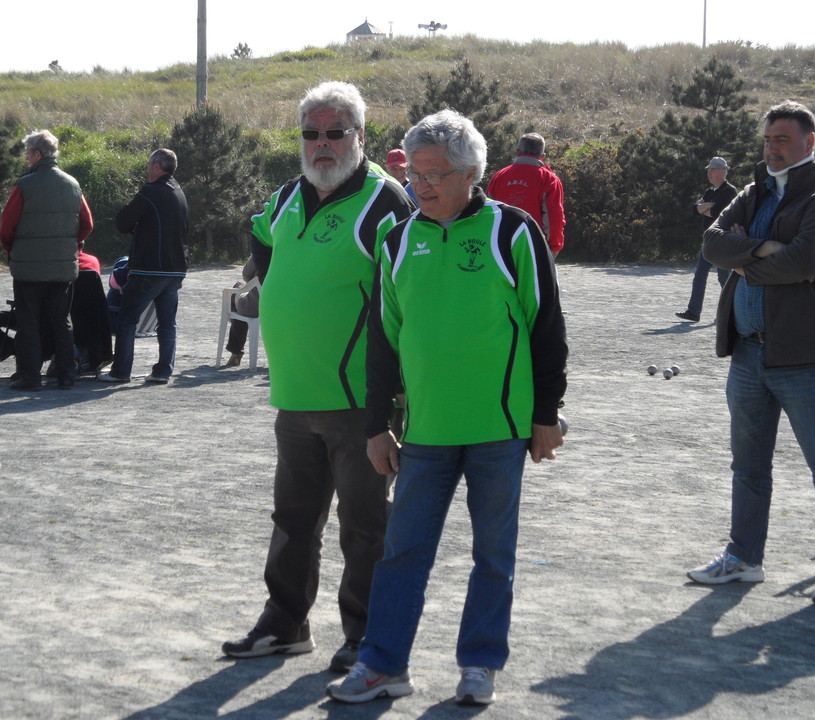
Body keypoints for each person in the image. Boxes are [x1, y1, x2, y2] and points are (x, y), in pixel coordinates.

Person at [326, 109, 568, 706]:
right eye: (415, 173)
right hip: (426, 432)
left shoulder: (511, 231)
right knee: (402, 552)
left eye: (436, 174)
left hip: (500, 430)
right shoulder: (398, 239)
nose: (422, 185)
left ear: (469, 174)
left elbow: (547, 329)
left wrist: (546, 414)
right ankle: (383, 665)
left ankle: (480, 664)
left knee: (493, 555)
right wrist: (378, 425)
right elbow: (383, 341)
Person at [221, 81, 414, 673]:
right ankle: (285, 623)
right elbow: (262, 240)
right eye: (312, 133)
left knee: (365, 527)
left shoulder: (386, 203)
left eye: (336, 132)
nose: (323, 144)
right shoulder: (286, 197)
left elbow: (406, 300)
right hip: (295, 396)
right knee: (293, 520)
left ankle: (364, 636)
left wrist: (393, 400)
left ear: (361, 136)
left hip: (361, 402)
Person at [686, 100, 815, 608]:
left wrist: (748, 255)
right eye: (768, 139)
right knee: (748, 466)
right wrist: (764, 250)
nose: (772, 148)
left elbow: (805, 263)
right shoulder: (753, 191)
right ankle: (744, 559)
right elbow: (711, 244)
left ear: (809, 143)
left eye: (783, 140)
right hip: (748, 356)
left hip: (808, 359)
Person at [0, 129, 94, 391]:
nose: (26, 158)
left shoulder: (24, 185)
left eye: (28, 153)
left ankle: (30, 378)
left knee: (28, 324)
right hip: (63, 267)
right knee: (61, 322)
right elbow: (87, 224)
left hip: (28, 268)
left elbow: (6, 227)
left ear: (37, 154)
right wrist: (71, 244)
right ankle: (66, 375)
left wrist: (11, 251)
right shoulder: (73, 184)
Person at [98, 148, 189, 385]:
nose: (147, 168)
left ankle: (121, 371)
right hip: (176, 268)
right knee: (167, 323)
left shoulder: (150, 192)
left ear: (158, 166)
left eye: (149, 164)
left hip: (149, 268)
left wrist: (136, 228)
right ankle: (162, 371)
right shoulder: (179, 191)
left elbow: (122, 221)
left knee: (127, 318)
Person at [0, 248, 102, 368]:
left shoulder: (47, 264)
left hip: (44, 318)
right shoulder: (92, 262)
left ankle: (17, 351)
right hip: (79, 322)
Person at [674, 156, 738, 322]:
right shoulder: (709, 192)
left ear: (723, 172)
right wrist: (707, 206)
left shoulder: (730, 192)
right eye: (709, 169)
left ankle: (730, 312)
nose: (709, 172)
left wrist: (706, 207)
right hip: (708, 240)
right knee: (700, 274)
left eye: (712, 169)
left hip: (722, 240)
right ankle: (694, 312)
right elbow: (695, 210)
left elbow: (714, 213)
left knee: (724, 278)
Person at [486, 132, 566, 258]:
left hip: (500, 243)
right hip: (534, 245)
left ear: (517, 151)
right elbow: (554, 217)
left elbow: (488, 210)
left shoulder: (499, 176)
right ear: (543, 156)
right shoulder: (549, 179)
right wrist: (555, 246)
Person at [223, 256, 260, 367]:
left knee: (238, 286)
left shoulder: (263, 247)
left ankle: (236, 353)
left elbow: (246, 276)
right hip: (284, 307)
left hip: (256, 308)